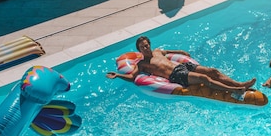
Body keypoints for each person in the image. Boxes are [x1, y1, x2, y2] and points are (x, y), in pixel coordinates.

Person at [106, 36, 256, 94]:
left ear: (150, 44)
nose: (146, 48)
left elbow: (169, 51)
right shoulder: (143, 64)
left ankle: (241, 84)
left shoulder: (158, 51)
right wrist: (118, 75)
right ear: (139, 50)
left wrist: (181, 52)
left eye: (147, 45)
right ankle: (235, 89)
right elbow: (133, 77)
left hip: (183, 67)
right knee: (204, 78)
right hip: (176, 75)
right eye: (142, 47)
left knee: (213, 71)